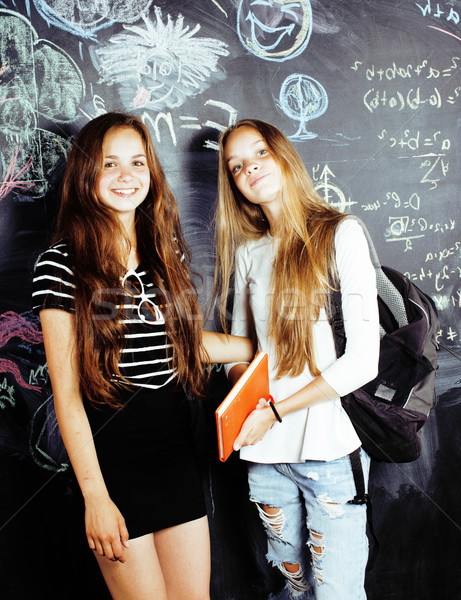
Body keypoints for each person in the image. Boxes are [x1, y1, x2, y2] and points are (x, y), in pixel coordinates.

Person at [32, 112, 253, 600]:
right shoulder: (61, 264)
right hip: (113, 467)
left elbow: (182, 344)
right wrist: (95, 496)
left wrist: (261, 348)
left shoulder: (161, 252)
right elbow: (66, 396)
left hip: (176, 456)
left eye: (137, 162)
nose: (126, 175)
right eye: (110, 164)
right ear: (87, 173)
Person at [214, 119, 380, 600]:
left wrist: (276, 410)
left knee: (336, 595)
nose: (250, 168)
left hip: (329, 449)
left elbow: (363, 361)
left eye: (260, 152)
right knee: (291, 589)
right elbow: (242, 352)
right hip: (265, 458)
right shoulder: (248, 252)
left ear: (284, 155)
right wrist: (238, 380)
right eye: (237, 165)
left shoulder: (339, 233)